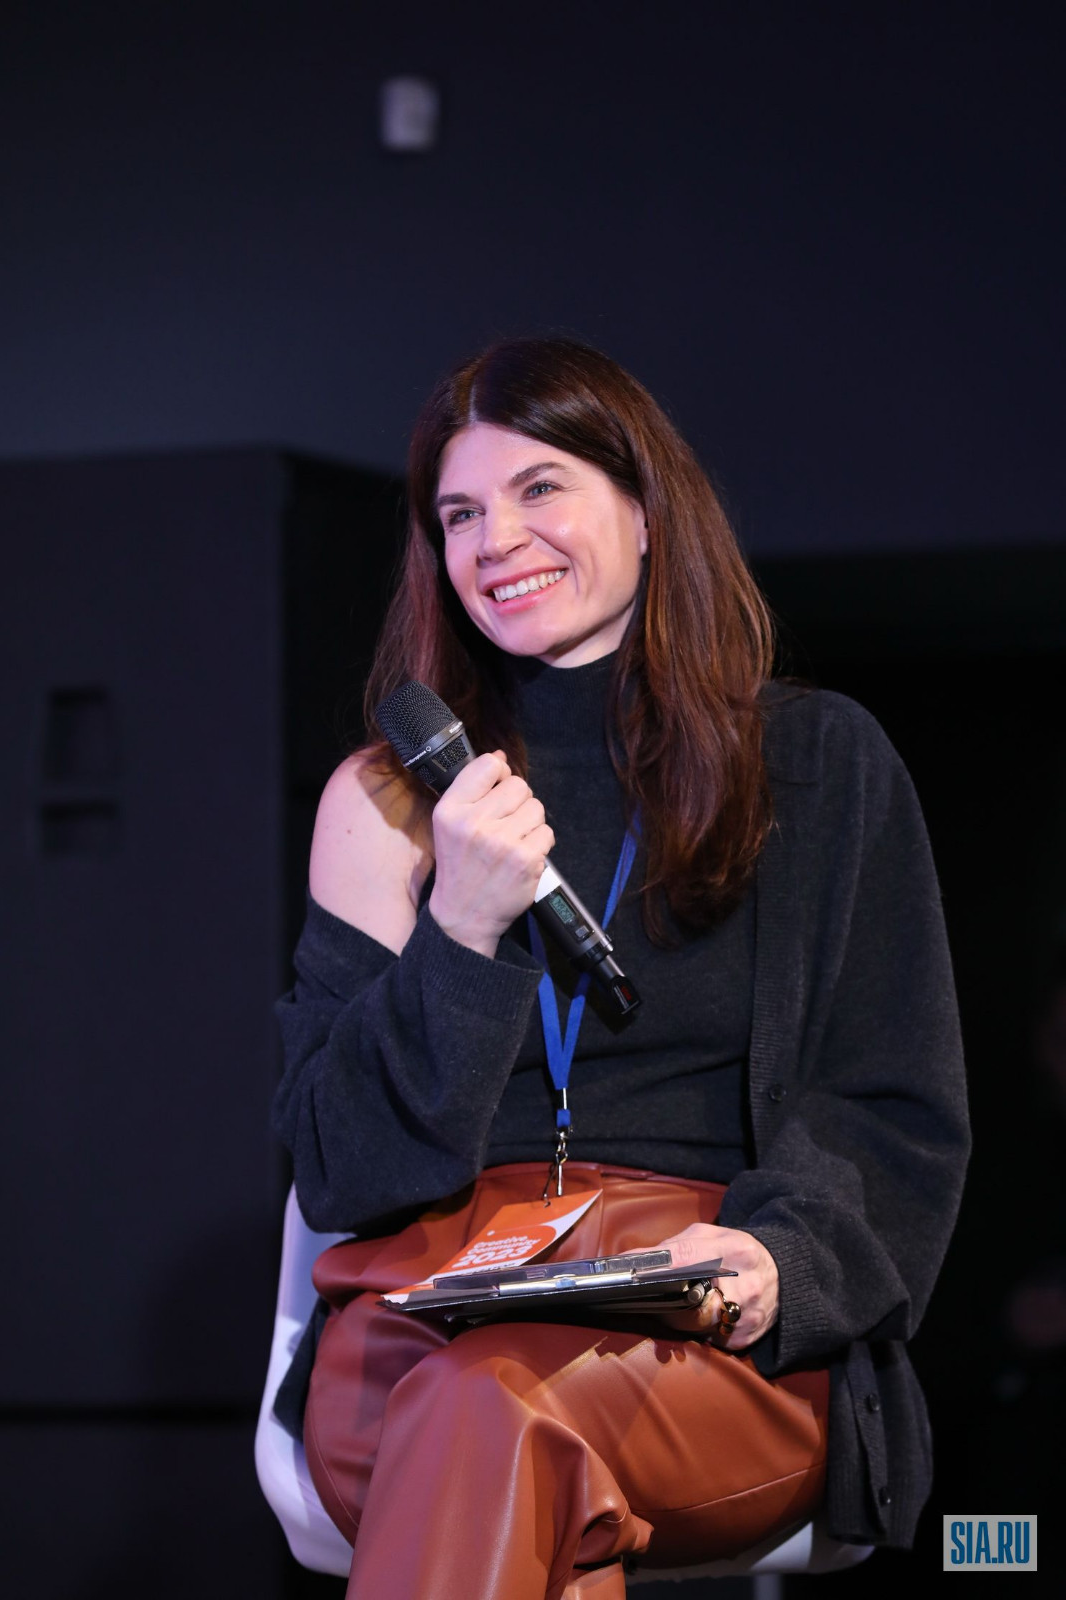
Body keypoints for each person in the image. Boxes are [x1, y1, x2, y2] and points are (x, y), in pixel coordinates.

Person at [272, 337, 970, 1599]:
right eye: (459, 514)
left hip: (707, 1328)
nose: (496, 540)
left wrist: (778, 1259)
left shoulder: (818, 765)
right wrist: (459, 930)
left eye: (539, 487)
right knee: (489, 1414)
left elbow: (890, 1107)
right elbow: (341, 1167)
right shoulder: (385, 804)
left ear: (645, 512)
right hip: (428, 1316)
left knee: (498, 1421)